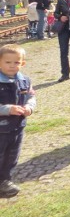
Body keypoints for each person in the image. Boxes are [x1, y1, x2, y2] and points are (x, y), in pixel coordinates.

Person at [0, 44, 36, 198]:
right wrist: (7, 109)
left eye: (16, 62)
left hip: (17, 127)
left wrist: (29, 107)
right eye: (8, 62)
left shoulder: (25, 81)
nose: (12, 66)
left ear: (23, 63)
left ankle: (5, 180)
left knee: (12, 155)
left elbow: (31, 96)